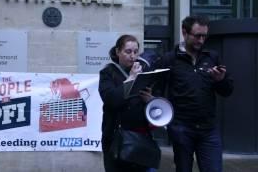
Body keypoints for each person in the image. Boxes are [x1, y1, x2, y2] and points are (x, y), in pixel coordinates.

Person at [159, 16, 234, 172]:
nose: (201, 40)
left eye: (204, 36)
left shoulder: (212, 57)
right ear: (184, 33)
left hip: (208, 130)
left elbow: (227, 91)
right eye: (197, 36)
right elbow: (158, 90)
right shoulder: (170, 59)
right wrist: (167, 122)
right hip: (181, 129)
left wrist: (220, 80)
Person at [98, 34, 159, 172]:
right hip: (116, 140)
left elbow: (154, 107)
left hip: (142, 139)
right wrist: (131, 78)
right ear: (118, 51)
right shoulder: (108, 73)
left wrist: (150, 100)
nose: (133, 56)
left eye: (136, 52)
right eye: (128, 51)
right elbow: (111, 100)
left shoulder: (144, 73)